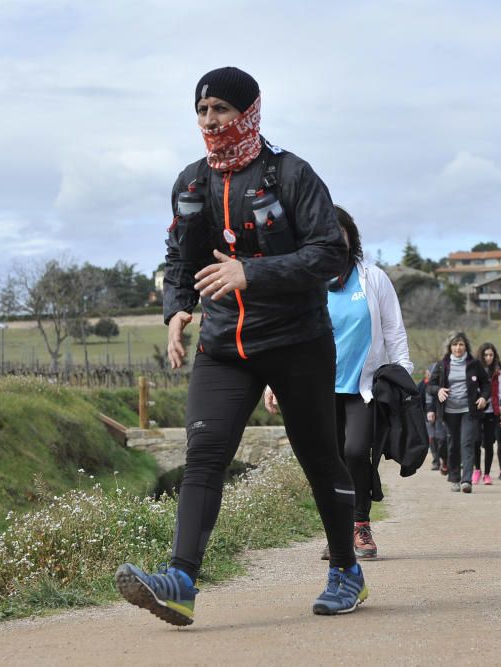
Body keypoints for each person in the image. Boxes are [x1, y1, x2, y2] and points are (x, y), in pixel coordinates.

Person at [116, 67, 367, 625]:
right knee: (203, 455)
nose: (210, 121)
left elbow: (330, 253)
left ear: (249, 112)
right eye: (202, 111)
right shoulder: (190, 183)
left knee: (318, 456)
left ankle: (346, 570)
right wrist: (177, 308)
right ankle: (180, 580)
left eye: (221, 110)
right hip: (223, 345)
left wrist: (253, 273)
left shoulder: (292, 176)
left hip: (297, 340)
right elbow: (180, 258)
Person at [265, 205, 412, 560]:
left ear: (350, 237)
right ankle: (338, 533)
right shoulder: (305, 284)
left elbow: (393, 330)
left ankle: (360, 525)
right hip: (318, 388)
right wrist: (274, 382)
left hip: (363, 388)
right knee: (328, 460)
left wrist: (404, 375)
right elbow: (288, 337)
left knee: (356, 451)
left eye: (338, 231)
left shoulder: (372, 278)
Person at [428, 332, 490, 493]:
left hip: (468, 411)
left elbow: (486, 384)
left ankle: (466, 480)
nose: (458, 347)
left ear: (465, 346)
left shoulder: (474, 364)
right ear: (450, 347)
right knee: (453, 444)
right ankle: (454, 478)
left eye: (461, 344)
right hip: (449, 412)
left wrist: (483, 397)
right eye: (455, 344)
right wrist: (439, 390)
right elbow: (430, 386)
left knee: (467, 443)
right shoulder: (442, 364)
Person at [475, 342, 501, 484]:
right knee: (475, 442)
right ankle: (476, 470)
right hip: (477, 410)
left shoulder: (499, 371)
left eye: (491, 354)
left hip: (493, 411)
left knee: (488, 444)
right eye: (486, 354)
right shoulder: (474, 370)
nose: (488, 357)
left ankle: (486, 473)